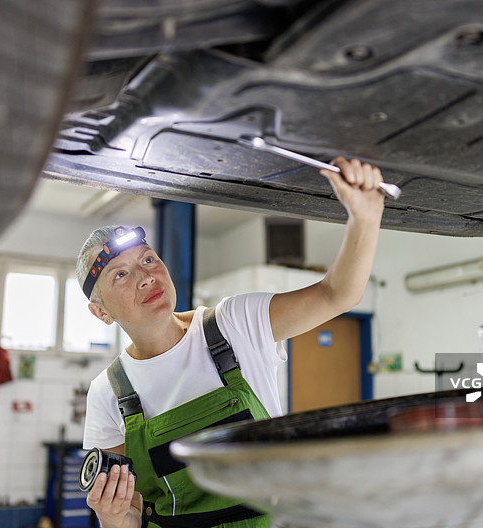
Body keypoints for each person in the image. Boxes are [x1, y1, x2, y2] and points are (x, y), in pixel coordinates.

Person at [78, 157, 386, 528]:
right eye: (121, 274)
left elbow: (338, 294)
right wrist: (111, 517)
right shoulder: (108, 393)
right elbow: (129, 517)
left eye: (148, 259)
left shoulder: (233, 324)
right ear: (101, 312)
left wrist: (364, 219)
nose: (146, 276)